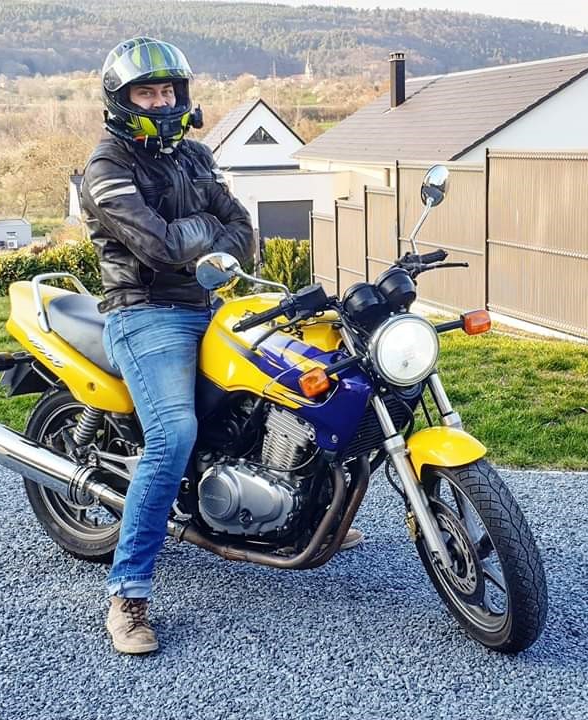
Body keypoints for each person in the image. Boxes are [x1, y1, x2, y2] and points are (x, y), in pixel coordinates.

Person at [82, 37, 361, 656]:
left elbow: (245, 234)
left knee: (293, 386)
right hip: (144, 312)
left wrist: (207, 233)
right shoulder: (107, 167)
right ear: (122, 101)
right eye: (146, 93)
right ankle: (127, 594)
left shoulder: (196, 155)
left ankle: (311, 516)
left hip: (211, 305)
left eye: (167, 91)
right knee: (173, 435)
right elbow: (156, 248)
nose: (161, 102)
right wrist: (210, 229)